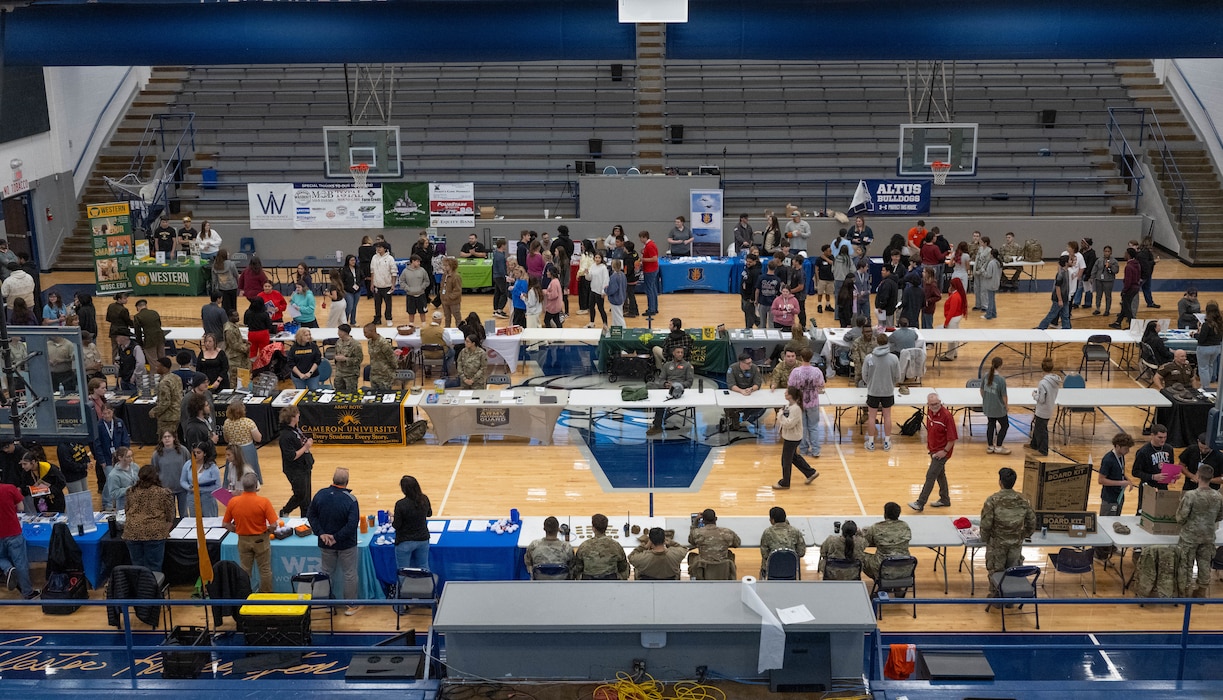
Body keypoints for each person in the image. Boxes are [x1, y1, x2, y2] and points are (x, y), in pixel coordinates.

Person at [308, 467, 361, 616]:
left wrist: (322, 534)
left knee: (326, 572)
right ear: (347, 482)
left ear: (333, 479)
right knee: (349, 573)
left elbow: (311, 516)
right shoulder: (351, 500)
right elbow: (352, 524)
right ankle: (351, 605)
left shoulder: (320, 495)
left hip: (325, 543)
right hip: (346, 544)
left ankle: (326, 603)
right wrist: (336, 537)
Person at [980, 467, 1037, 601]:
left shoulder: (992, 500)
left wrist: (985, 539)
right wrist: (1023, 535)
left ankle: (996, 598)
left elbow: (986, 524)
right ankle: (1011, 598)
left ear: (1000, 482)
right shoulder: (1023, 500)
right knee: (1013, 571)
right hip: (1015, 544)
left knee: (996, 571)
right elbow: (1032, 522)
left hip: (997, 544)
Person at [1175, 464, 1223, 598]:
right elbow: (1220, 516)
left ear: (1198, 476)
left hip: (1190, 536)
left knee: (1186, 564)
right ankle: (1201, 592)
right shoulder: (1218, 496)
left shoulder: (1191, 495)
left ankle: (1184, 592)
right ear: (1211, 477)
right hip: (1208, 535)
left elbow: (1181, 517)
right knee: (1204, 564)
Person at [910, 392, 958, 512]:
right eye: (932, 404)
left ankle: (920, 503)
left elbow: (952, 438)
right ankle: (945, 499)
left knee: (931, 475)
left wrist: (944, 451)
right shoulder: (930, 412)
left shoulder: (947, 416)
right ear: (928, 404)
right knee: (940, 475)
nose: (935, 406)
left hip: (942, 452)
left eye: (937, 403)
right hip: (933, 450)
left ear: (940, 402)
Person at [774, 386, 819, 489]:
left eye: (786, 392)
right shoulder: (789, 405)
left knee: (785, 460)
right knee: (794, 457)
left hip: (792, 438)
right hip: (790, 436)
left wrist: (780, 415)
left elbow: (789, 424)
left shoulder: (796, 409)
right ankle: (811, 473)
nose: (784, 393)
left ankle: (785, 483)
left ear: (790, 395)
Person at [0, 477, 38, 599]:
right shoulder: (10, 488)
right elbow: (21, 508)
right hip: (13, 531)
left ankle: (8, 568)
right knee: (21, 562)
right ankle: (27, 593)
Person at [863, 333, 901, 452]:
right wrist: (891, 384)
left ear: (876, 342)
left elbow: (864, 375)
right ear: (887, 342)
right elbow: (898, 376)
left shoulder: (869, 358)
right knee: (887, 416)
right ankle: (886, 442)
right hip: (888, 391)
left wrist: (870, 383)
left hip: (873, 391)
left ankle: (870, 442)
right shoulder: (894, 358)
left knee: (872, 417)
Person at [647, 345, 694, 436]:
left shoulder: (687, 366)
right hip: (666, 388)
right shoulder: (667, 365)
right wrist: (665, 384)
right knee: (649, 385)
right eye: (678, 352)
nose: (680, 354)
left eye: (682, 353)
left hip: (679, 390)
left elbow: (689, 383)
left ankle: (657, 426)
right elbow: (661, 379)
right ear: (673, 353)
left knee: (660, 402)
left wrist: (677, 385)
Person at [786, 348, 826, 457]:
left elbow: (790, 386)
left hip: (800, 403)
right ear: (811, 357)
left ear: (801, 357)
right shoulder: (817, 371)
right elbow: (822, 384)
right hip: (813, 401)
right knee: (814, 427)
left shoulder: (796, 372)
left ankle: (803, 450)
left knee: (802, 427)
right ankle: (816, 450)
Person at [278, 405, 314, 518]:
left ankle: (306, 519)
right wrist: (306, 446)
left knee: (306, 498)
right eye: (297, 414)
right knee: (300, 494)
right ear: (292, 417)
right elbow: (292, 456)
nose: (299, 415)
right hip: (295, 470)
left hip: (304, 466)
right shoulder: (285, 436)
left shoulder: (295, 429)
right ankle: (285, 511)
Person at [862, 502, 912, 582]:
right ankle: (898, 588)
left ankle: (879, 581)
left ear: (885, 514)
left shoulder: (876, 527)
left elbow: (863, 542)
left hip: (883, 569)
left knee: (859, 556)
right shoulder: (905, 526)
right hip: (905, 567)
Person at [392, 474, 433, 570]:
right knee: (424, 567)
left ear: (404, 489)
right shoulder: (424, 499)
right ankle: (426, 584)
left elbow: (397, 525)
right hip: (422, 539)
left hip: (405, 542)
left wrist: (393, 519)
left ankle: (404, 585)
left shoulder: (400, 504)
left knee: (403, 570)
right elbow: (429, 514)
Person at [1133, 424, 1175, 514]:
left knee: (1162, 512)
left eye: (1165, 437)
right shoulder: (1143, 451)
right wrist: (1153, 477)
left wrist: (1174, 475)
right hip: (1148, 487)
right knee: (1144, 512)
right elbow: (1135, 472)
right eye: (1160, 437)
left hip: (1163, 487)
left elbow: (1171, 465)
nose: (1163, 440)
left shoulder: (1169, 449)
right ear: (1152, 435)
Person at [688, 509, 741, 580]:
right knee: (729, 554)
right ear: (716, 519)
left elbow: (691, 541)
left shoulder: (697, 533)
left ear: (703, 521)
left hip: (705, 567)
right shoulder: (727, 532)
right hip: (723, 568)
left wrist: (695, 524)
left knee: (691, 556)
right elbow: (737, 543)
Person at [572, 513, 628, 580]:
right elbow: (623, 566)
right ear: (606, 527)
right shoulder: (616, 545)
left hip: (588, 580)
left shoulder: (584, 546)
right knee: (627, 567)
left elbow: (578, 567)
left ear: (593, 528)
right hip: (611, 579)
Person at [721, 351, 765, 432]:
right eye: (748, 363)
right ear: (741, 363)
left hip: (751, 394)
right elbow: (731, 384)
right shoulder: (732, 368)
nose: (750, 364)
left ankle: (748, 419)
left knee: (762, 406)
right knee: (728, 408)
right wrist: (741, 391)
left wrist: (751, 389)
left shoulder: (754, 368)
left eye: (751, 362)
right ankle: (734, 423)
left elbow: (758, 384)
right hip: (736, 394)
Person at [758, 507, 807, 576]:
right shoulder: (795, 531)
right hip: (791, 570)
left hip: (772, 570)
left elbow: (765, 554)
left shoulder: (767, 533)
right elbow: (801, 552)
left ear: (772, 520)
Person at [1097, 432, 1136, 516]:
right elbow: (1101, 480)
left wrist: (1128, 480)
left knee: (1116, 519)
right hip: (1109, 498)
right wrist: (1121, 483)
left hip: (1119, 496)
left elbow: (1119, 472)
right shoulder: (1108, 460)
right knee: (1107, 522)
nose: (1128, 451)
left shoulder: (1121, 456)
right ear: (1117, 446)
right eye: (1126, 448)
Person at [17, 450, 67, 514]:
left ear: (33, 462)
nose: (23, 466)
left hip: (54, 500)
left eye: (25, 464)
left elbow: (62, 483)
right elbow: (25, 486)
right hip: (39, 501)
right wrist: (32, 492)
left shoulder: (50, 469)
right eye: (22, 464)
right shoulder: (25, 472)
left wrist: (48, 491)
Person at [1029, 357, 1060, 457]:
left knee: (1041, 430)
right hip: (1049, 407)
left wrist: (1034, 395)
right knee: (1038, 427)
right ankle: (1033, 445)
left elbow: (1041, 399)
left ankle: (1043, 450)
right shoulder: (1055, 381)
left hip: (1042, 410)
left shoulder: (1043, 383)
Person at [981, 356, 1011, 455]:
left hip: (988, 406)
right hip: (998, 408)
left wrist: (986, 400)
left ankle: (990, 446)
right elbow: (1004, 395)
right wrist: (1006, 406)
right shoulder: (1001, 380)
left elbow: (982, 390)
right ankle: (998, 446)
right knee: (1005, 425)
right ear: (1001, 365)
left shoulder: (986, 375)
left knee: (991, 424)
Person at [149, 357, 182, 442]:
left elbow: (165, 402)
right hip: (177, 413)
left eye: (157, 366)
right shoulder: (176, 377)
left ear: (164, 367)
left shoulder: (164, 382)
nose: (156, 368)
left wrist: (154, 411)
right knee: (174, 439)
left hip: (167, 417)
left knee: (165, 441)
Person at [1036, 255, 1072, 330]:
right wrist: (1060, 300)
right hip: (1059, 299)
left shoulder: (1067, 271)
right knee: (1052, 314)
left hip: (1064, 298)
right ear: (1066, 263)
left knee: (1065, 315)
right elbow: (1057, 287)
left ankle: (1067, 330)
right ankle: (1041, 327)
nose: (1071, 261)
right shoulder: (1060, 274)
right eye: (1070, 260)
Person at [1110, 247, 1141, 330]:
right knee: (1124, 306)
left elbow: (1128, 281)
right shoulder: (1137, 264)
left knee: (1127, 308)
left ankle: (1132, 325)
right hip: (1136, 287)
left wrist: (1124, 290)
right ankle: (1118, 322)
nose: (1124, 254)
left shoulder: (1128, 266)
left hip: (1130, 289)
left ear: (1128, 255)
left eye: (1125, 253)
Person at [328, 323, 363, 394]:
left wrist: (345, 359)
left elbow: (359, 359)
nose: (338, 333)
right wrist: (335, 357)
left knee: (351, 394)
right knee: (338, 393)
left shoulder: (355, 344)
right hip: (339, 373)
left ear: (345, 332)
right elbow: (336, 352)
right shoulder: (339, 342)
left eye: (339, 331)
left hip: (350, 374)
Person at [1195, 301, 1222, 389]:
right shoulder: (1220, 323)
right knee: (1210, 365)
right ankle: (1208, 385)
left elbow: (1201, 338)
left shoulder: (1207, 324)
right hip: (1217, 347)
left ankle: (1205, 387)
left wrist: (1194, 335)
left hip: (1205, 348)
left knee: (1203, 368)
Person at [398, 255, 431, 326]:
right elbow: (401, 281)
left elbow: (427, 281)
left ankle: (424, 324)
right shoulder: (405, 271)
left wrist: (422, 287)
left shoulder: (422, 270)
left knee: (423, 311)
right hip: (410, 295)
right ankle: (411, 325)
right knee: (411, 312)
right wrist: (407, 289)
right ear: (412, 261)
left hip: (421, 295)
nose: (419, 263)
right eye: (417, 261)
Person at [370, 241, 397, 325]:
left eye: (380, 247)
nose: (378, 249)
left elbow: (394, 272)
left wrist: (393, 284)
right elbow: (372, 271)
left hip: (387, 285)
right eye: (377, 247)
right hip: (377, 285)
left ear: (385, 248)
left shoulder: (390, 258)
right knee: (377, 304)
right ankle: (377, 318)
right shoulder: (374, 257)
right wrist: (372, 283)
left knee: (388, 304)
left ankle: (388, 318)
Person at [940, 277, 967, 360]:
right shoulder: (957, 294)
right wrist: (949, 292)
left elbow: (952, 311)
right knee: (955, 336)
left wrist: (946, 322)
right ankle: (954, 353)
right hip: (956, 317)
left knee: (951, 337)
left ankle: (949, 356)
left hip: (953, 318)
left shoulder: (955, 297)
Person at [365, 322, 396, 392]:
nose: (364, 335)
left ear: (372, 331)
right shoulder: (370, 342)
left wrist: (391, 372)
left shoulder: (383, 343)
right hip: (374, 374)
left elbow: (392, 358)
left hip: (384, 376)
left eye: (366, 332)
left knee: (384, 396)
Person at [244, 296, 273, 362]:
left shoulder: (248, 312)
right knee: (264, 352)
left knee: (252, 352)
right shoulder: (265, 313)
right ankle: (263, 367)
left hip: (252, 334)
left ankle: (252, 367)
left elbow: (245, 323)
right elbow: (269, 326)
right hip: (263, 334)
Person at [1091, 245, 1117, 317]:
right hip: (1099, 279)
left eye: (1108, 251)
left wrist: (1110, 266)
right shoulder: (1099, 260)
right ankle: (1098, 308)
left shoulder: (1114, 261)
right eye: (1105, 251)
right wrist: (1092, 277)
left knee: (1108, 296)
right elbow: (1095, 269)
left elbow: (1116, 271)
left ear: (1111, 252)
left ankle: (1107, 310)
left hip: (1108, 280)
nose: (1107, 253)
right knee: (1098, 295)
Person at [638, 230, 660, 317]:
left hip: (650, 270)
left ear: (644, 237)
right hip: (652, 269)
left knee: (649, 290)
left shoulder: (650, 245)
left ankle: (651, 309)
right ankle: (654, 307)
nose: (640, 240)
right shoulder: (649, 245)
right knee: (653, 289)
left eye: (640, 238)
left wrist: (643, 259)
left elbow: (654, 258)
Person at [211, 250, 240, 315]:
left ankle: (225, 317)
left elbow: (214, 280)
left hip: (222, 288)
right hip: (232, 287)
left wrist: (214, 289)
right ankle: (233, 317)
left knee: (225, 305)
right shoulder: (231, 264)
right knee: (233, 304)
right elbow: (236, 275)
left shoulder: (215, 265)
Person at [1137, 236, 1160, 309]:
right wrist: (1154, 261)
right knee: (1135, 289)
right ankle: (1126, 301)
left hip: (1147, 274)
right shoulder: (1144, 253)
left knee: (1147, 289)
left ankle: (1150, 302)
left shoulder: (1144, 251)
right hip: (1144, 275)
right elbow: (1145, 265)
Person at [979, 248, 1002, 321]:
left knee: (990, 300)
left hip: (991, 283)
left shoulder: (991, 263)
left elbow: (988, 275)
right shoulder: (998, 263)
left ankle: (988, 315)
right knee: (992, 299)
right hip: (996, 282)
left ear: (991, 254)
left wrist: (982, 271)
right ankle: (994, 314)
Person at [439, 257, 462, 328]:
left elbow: (457, 290)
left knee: (457, 317)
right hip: (445, 301)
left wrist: (449, 297)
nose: (444, 267)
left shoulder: (456, 276)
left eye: (446, 265)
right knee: (447, 318)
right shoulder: (444, 275)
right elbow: (442, 286)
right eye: (444, 265)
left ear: (452, 266)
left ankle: (459, 331)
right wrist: (442, 296)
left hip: (453, 302)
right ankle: (447, 330)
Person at [606, 259, 627, 328]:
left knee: (618, 317)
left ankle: (624, 330)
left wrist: (606, 289)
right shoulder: (622, 274)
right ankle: (614, 330)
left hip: (616, 299)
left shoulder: (614, 277)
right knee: (616, 317)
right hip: (622, 297)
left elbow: (612, 289)